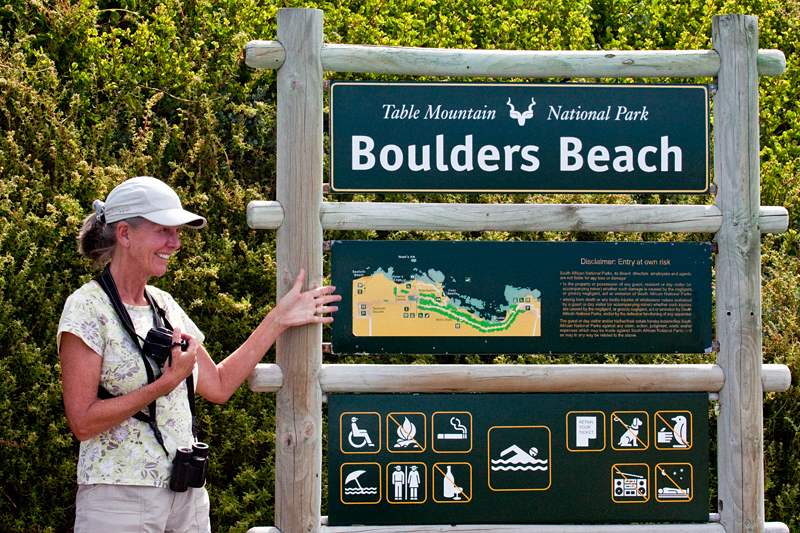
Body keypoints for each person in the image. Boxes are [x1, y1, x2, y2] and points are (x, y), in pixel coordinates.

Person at [57, 176, 340, 533]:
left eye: (177, 232)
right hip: (118, 499)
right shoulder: (86, 307)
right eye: (164, 231)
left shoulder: (164, 305)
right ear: (125, 235)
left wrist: (278, 319)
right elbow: (82, 422)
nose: (175, 243)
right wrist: (166, 383)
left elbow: (219, 385)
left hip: (187, 496)